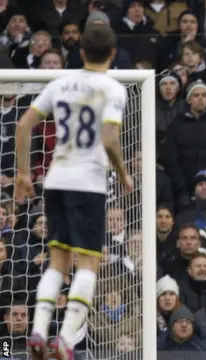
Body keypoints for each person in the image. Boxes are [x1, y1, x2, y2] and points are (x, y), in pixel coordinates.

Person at [14, 24, 133, 360]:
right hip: (88, 183)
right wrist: (123, 174)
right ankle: (64, 340)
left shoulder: (60, 82)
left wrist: (24, 173)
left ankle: (38, 332)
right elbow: (109, 139)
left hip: (55, 180)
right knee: (87, 264)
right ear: (112, 53)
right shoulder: (113, 88)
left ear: (80, 52)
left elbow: (24, 125)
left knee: (57, 262)